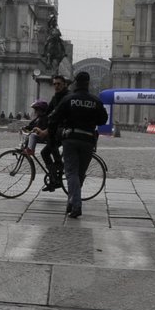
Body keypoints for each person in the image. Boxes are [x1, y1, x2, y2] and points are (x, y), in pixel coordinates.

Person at [44, 70, 107, 219]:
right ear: (88, 83)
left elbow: (53, 118)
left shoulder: (69, 99)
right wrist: (90, 121)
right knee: (79, 174)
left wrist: (52, 136)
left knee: (71, 173)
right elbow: (103, 120)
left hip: (71, 139)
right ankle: (71, 202)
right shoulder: (95, 100)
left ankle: (76, 205)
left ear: (76, 83)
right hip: (88, 140)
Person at [37, 74, 70, 192]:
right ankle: (54, 179)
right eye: (54, 84)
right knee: (46, 151)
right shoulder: (55, 97)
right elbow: (47, 113)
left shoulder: (67, 97)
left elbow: (60, 116)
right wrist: (33, 124)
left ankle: (57, 172)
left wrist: (47, 130)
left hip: (64, 130)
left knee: (47, 149)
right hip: (57, 129)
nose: (56, 86)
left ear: (64, 85)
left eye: (59, 84)